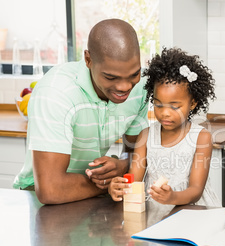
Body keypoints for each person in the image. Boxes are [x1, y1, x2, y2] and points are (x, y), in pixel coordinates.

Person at [13, 19, 149, 204]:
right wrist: (111, 182)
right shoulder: (56, 92)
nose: (125, 87)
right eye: (111, 77)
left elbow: (134, 153)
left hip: (93, 196)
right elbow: (50, 189)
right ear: (88, 59)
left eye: (134, 74)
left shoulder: (140, 88)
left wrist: (122, 165)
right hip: (36, 199)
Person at [109, 47, 221, 208]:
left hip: (192, 212)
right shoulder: (146, 136)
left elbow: (196, 190)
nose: (165, 113)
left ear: (193, 103)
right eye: (158, 105)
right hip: (156, 212)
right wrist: (119, 187)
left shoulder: (201, 137)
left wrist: (172, 197)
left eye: (174, 106)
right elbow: (134, 179)